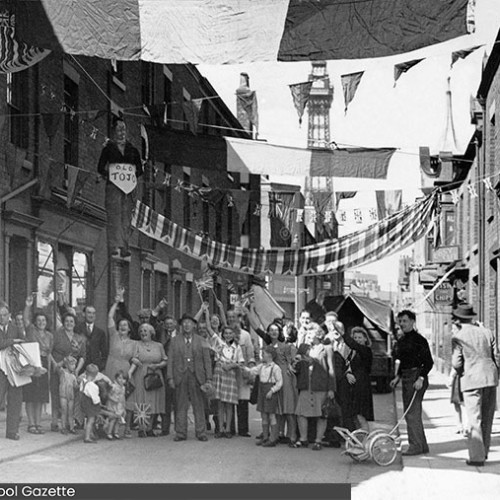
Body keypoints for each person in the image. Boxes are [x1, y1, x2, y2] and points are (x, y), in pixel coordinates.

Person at [451, 303, 499, 466]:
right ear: (471, 317)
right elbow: (496, 356)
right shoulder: (487, 332)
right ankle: (484, 452)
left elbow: (456, 363)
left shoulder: (459, 336)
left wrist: (461, 373)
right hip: (490, 378)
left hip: (471, 379)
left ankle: (477, 457)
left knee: (474, 419)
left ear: (458, 319)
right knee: (487, 417)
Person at [97, 116, 143, 259]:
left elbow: (139, 170)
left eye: (124, 129)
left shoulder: (133, 150)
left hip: (128, 189)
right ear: (113, 131)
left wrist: (130, 174)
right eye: (119, 129)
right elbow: (100, 167)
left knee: (126, 217)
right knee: (114, 215)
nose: (122, 132)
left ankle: (125, 247)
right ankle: (114, 246)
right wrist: (109, 175)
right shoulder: (108, 149)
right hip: (113, 188)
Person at [390, 309, 433, 456]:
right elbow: (403, 362)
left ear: (412, 322)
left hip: (416, 377)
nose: (402, 324)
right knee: (412, 412)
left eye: (405, 321)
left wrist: (421, 377)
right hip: (407, 376)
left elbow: (428, 362)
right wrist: (398, 377)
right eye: (400, 321)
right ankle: (422, 445)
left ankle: (415, 445)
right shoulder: (402, 340)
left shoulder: (419, 340)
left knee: (411, 413)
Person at [167, 314, 213, 442]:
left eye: (189, 323)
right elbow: (170, 359)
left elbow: (207, 360)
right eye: (184, 323)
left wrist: (209, 377)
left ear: (194, 325)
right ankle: (180, 432)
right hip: (180, 376)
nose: (187, 325)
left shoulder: (201, 340)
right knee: (180, 405)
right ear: (181, 326)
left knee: (199, 404)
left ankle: (201, 432)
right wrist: (170, 377)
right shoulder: (175, 340)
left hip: (197, 376)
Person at [292, 323, 335, 450]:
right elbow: (297, 366)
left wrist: (331, 389)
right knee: (301, 412)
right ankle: (303, 439)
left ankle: (318, 441)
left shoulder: (326, 348)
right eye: (308, 333)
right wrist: (295, 363)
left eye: (311, 333)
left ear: (319, 334)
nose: (309, 335)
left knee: (321, 414)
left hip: (320, 386)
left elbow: (331, 369)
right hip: (306, 385)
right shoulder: (303, 347)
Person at [104, 291, 138, 437]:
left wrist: (130, 371)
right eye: (121, 325)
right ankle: (107, 428)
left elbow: (136, 359)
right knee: (110, 397)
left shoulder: (134, 343)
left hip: (125, 370)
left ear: (130, 329)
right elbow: (110, 316)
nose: (123, 326)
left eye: (126, 325)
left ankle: (126, 428)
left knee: (125, 400)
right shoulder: (114, 336)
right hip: (111, 367)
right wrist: (117, 302)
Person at [205, 319, 244, 439]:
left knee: (229, 404)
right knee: (220, 403)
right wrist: (206, 312)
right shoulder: (219, 343)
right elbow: (209, 328)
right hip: (219, 373)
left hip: (230, 374)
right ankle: (220, 428)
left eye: (230, 333)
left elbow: (241, 363)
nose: (228, 335)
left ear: (234, 334)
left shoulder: (236, 347)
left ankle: (228, 429)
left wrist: (232, 365)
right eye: (226, 333)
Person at [127, 323, 168, 438]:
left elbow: (165, 360)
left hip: (155, 374)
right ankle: (141, 428)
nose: (143, 333)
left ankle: (150, 428)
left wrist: (158, 365)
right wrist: (135, 360)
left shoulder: (159, 345)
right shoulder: (136, 344)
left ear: (151, 333)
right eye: (141, 331)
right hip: (141, 374)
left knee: (154, 400)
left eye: (145, 331)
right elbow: (131, 357)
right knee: (142, 400)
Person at [50, 311, 87, 432]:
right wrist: (56, 365)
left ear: (75, 323)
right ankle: (55, 422)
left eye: (71, 321)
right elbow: (49, 352)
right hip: (59, 369)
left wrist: (76, 370)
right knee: (57, 395)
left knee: (71, 398)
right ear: (63, 323)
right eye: (66, 321)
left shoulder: (79, 338)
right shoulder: (56, 335)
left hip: (72, 372)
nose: (69, 323)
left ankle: (71, 423)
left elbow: (82, 356)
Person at [22, 295, 53, 434]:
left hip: (44, 364)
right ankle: (31, 424)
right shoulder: (31, 330)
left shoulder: (50, 336)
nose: (41, 322)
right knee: (31, 395)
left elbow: (50, 353)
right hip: (32, 363)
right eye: (39, 320)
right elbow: (25, 319)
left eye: (43, 320)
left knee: (40, 396)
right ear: (35, 322)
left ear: (47, 322)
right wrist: (28, 305)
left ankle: (38, 423)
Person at [245, 345, 283, 447]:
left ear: (270, 355)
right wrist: (242, 367)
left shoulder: (275, 368)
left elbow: (279, 382)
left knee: (271, 415)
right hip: (262, 391)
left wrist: (272, 390)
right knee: (263, 415)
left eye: (264, 354)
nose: (262, 355)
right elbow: (252, 371)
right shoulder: (261, 366)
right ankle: (265, 437)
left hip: (270, 392)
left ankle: (273, 438)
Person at [227, 308, 255, 437]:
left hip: (241, 371)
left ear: (238, 318)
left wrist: (250, 367)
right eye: (229, 317)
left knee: (243, 400)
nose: (232, 319)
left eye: (234, 317)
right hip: (229, 372)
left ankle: (243, 429)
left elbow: (250, 352)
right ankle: (230, 428)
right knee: (229, 400)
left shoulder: (245, 335)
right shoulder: (225, 334)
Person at [0, 301, 25, 440]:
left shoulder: (15, 328)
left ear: (9, 315)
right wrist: (12, 341)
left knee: (15, 399)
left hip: (14, 368)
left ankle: (12, 431)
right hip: (0, 369)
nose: (2, 318)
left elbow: (23, 341)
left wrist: (14, 341)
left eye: (4, 315)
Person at [342, 326, 374, 431]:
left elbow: (353, 345)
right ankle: (360, 440)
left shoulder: (366, 350)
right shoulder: (353, 352)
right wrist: (348, 373)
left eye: (360, 337)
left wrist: (343, 333)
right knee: (355, 416)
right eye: (355, 337)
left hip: (362, 386)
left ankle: (365, 440)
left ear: (365, 339)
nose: (357, 340)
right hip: (355, 386)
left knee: (361, 416)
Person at [75, 306, 108, 372]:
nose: (91, 315)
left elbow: (105, 353)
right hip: (80, 367)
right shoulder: (77, 329)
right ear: (84, 314)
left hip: (95, 368)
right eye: (89, 313)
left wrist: (101, 366)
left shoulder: (100, 333)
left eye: (93, 313)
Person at [79, 364, 103, 444]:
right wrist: (99, 404)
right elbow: (95, 399)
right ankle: (87, 437)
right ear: (95, 375)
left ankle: (90, 433)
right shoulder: (93, 386)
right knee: (91, 420)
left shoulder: (83, 382)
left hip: (83, 402)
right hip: (90, 404)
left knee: (88, 419)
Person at [57, 356, 79, 434]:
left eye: (74, 365)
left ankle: (71, 427)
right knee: (64, 411)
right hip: (63, 394)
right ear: (67, 365)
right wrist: (64, 360)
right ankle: (63, 427)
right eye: (71, 364)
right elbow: (58, 366)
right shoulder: (63, 372)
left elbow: (75, 386)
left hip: (71, 395)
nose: (74, 367)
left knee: (70, 411)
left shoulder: (73, 376)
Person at [104, 370, 127, 440]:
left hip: (120, 406)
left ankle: (116, 432)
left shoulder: (123, 388)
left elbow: (123, 397)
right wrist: (113, 399)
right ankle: (109, 433)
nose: (121, 380)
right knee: (113, 419)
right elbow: (108, 395)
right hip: (113, 405)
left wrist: (124, 405)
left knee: (118, 419)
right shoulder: (113, 386)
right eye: (119, 378)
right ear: (116, 378)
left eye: (123, 379)